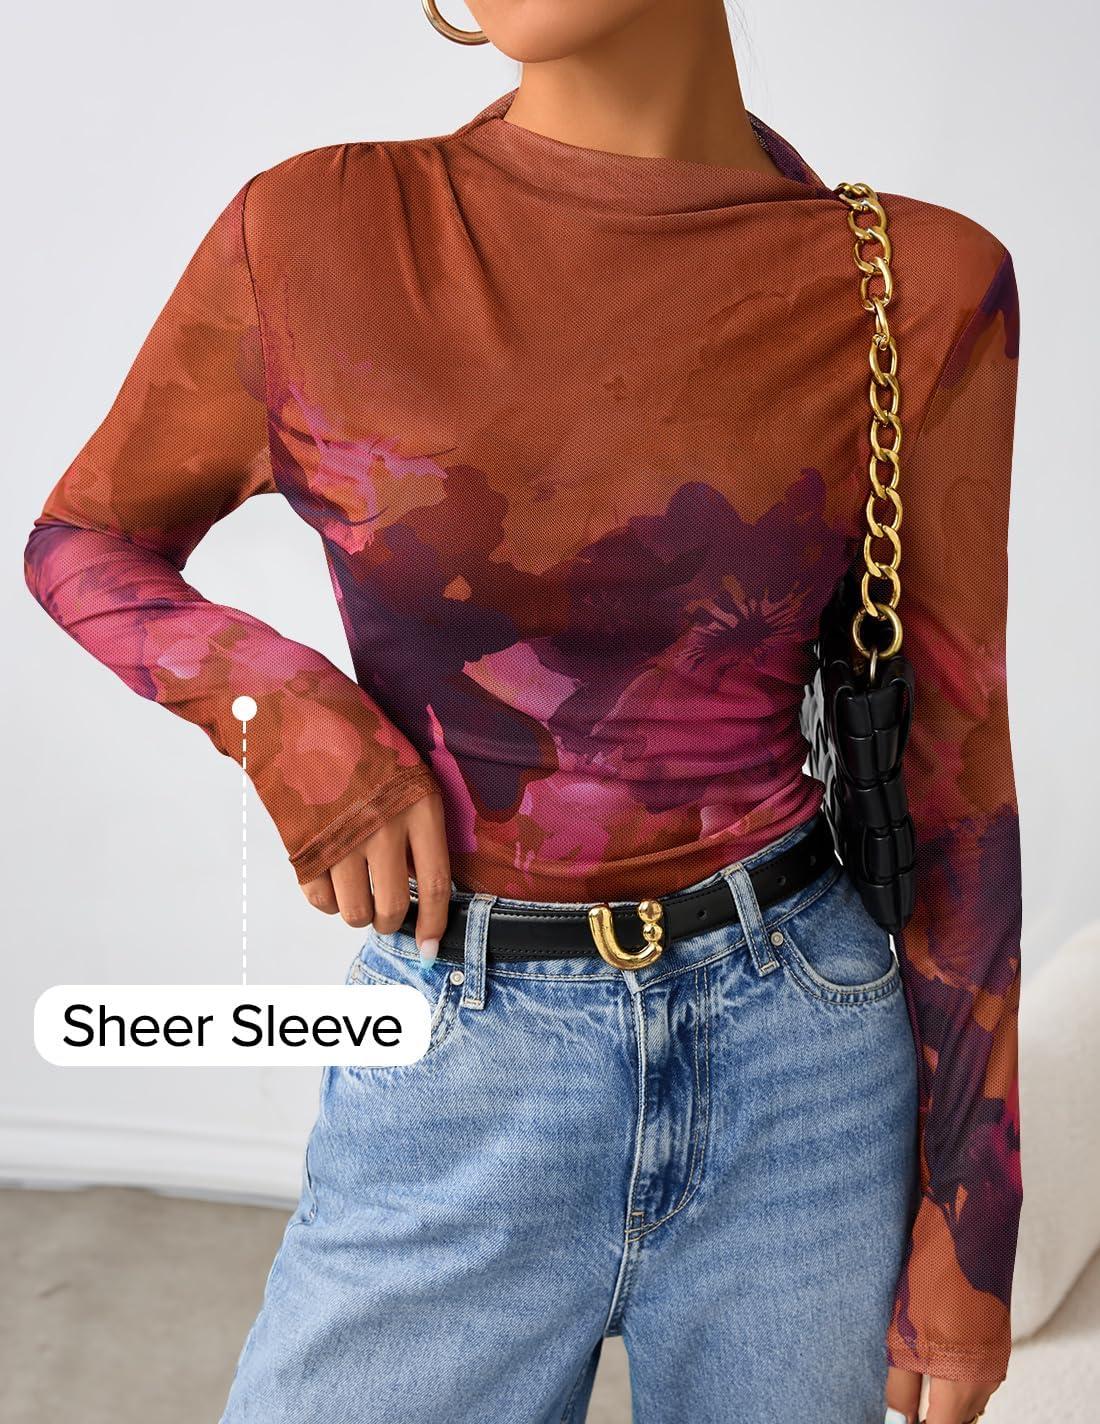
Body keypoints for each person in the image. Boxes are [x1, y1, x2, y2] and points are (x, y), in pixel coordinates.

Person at [22, 2, 1022, 1422]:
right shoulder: (317, 233)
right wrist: (289, 715)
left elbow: (955, 763)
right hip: (462, 1047)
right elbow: (85, 540)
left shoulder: (912, 281)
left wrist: (975, 1216)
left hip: (805, 1063)